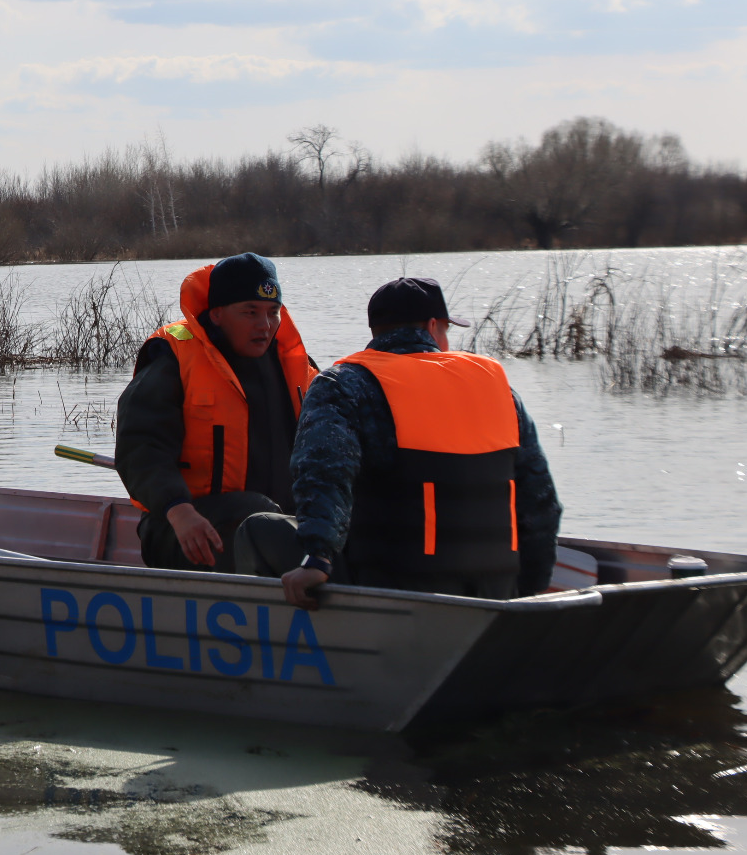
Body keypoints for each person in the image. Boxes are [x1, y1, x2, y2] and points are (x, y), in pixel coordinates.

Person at [244, 277, 561, 608]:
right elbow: (540, 501)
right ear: (433, 326)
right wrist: (529, 589)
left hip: (392, 586)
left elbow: (323, 471)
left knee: (257, 528)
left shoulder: (345, 384)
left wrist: (319, 556)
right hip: (498, 587)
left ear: (376, 331)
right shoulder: (499, 389)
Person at [115, 253, 317, 571]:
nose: (264, 326)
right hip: (185, 529)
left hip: (281, 529)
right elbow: (140, 447)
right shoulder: (174, 359)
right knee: (259, 515)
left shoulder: (297, 368)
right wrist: (178, 510)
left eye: (272, 313)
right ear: (218, 314)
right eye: (250, 312)